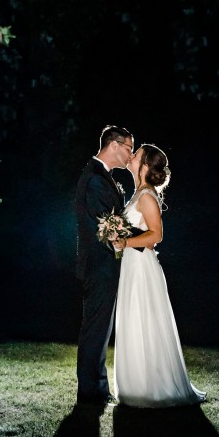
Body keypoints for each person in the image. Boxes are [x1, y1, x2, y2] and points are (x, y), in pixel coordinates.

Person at [113, 142, 206, 407]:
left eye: (137, 154)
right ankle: (134, 385)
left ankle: (153, 387)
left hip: (142, 269)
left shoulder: (147, 197)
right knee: (132, 320)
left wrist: (124, 242)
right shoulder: (137, 194)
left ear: (143, 166)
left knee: (144, 321)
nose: (131, 156)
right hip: (132, 267)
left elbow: (156, 235)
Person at [74, 124, 143, 406]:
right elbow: (108, 226)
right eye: (129, 148)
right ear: (114, 145)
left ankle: (97, 388)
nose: (130, 155)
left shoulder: (103, 176)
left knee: (101, 328)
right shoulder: (95, 179)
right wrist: (145, 239)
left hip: (105, 265)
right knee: (96, 327)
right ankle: (91, 391)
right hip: (99, 266)